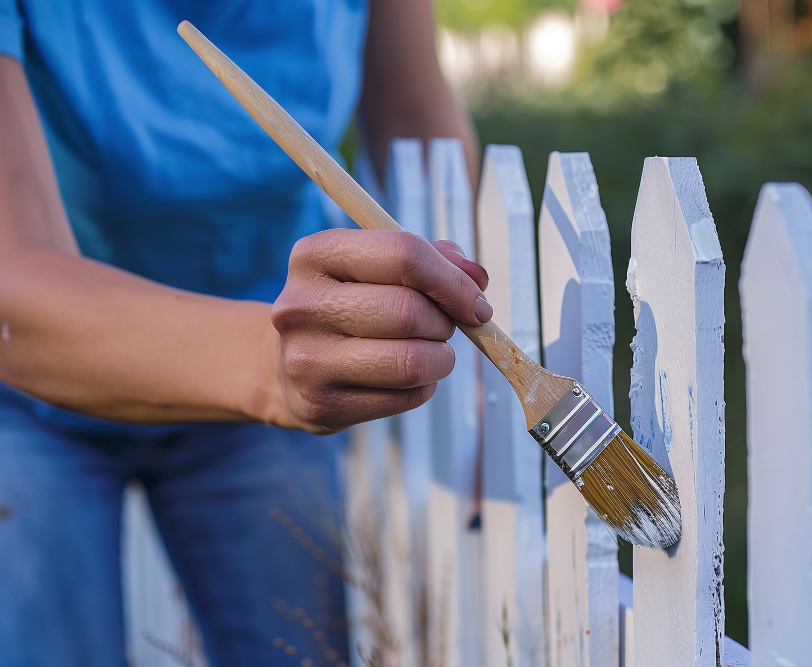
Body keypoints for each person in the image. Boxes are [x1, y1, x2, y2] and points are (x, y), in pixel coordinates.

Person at [0, 0, 490, 664]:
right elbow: (13, 291)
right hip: (39, 403)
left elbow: (413, 112)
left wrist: (477, 388)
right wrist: (271, 362)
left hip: (270, 364)